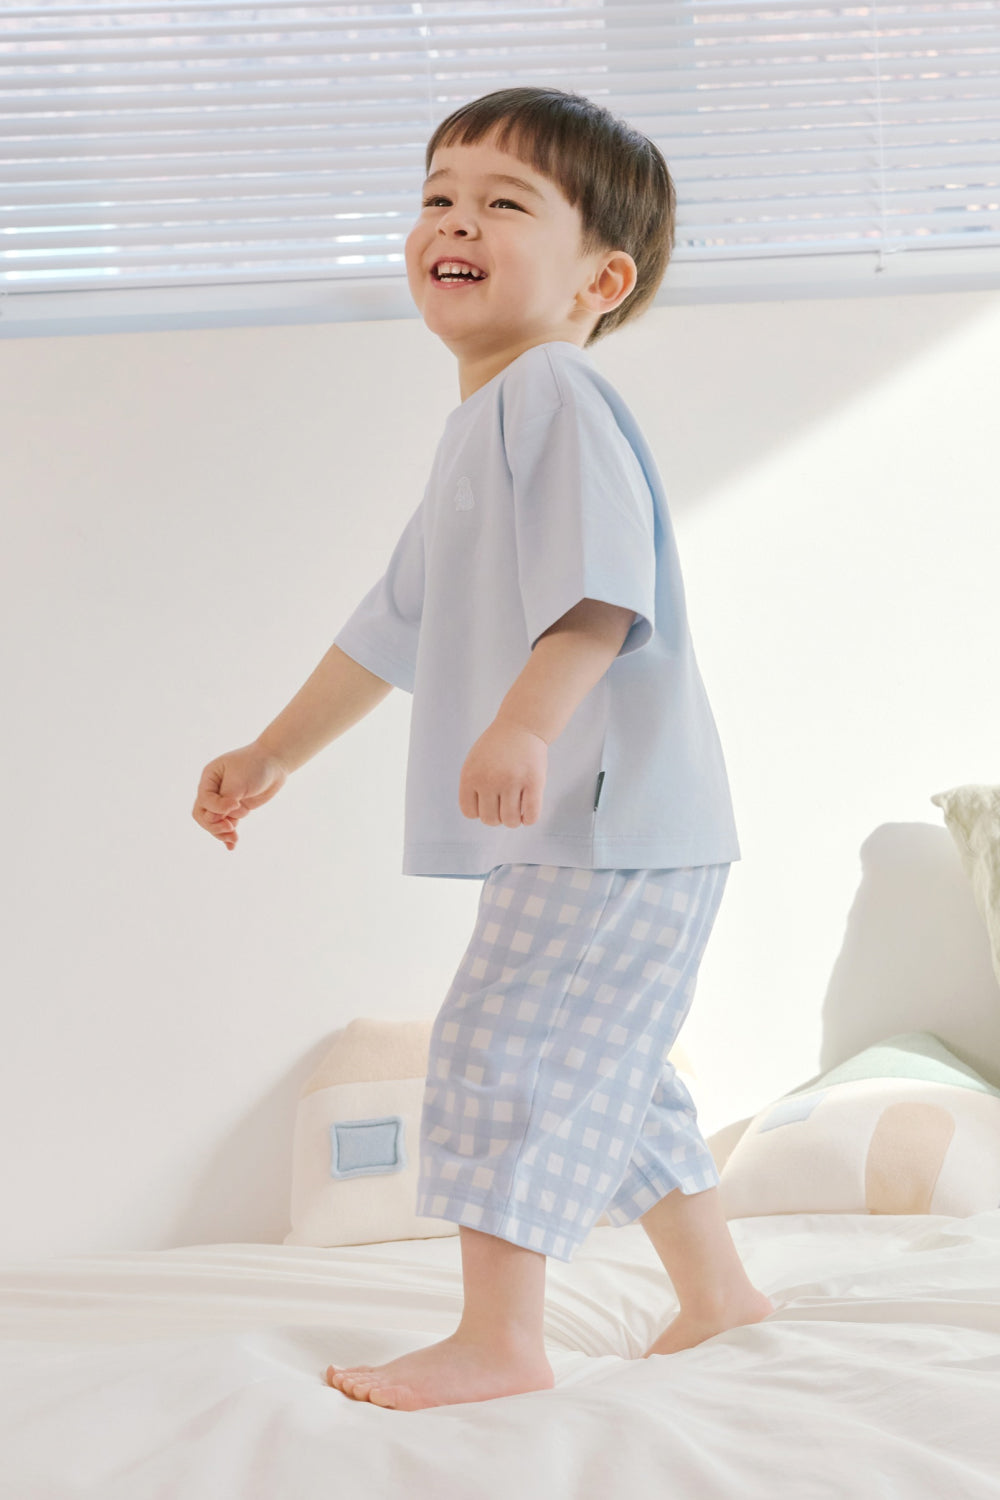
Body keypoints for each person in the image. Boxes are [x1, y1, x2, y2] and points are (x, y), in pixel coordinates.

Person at [192, 85, 774, 1413]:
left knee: (500, 1045)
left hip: (609, 818)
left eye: (504, 204)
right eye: (438, 197)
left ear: (599, 281)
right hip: (618, 829)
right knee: (607, 1063)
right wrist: (274, 752)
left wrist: (523, 722)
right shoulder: (487, 420)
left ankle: (502, 1340)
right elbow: (391, 626)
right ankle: (720, 1295)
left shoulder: (554, 392)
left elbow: (603, 591)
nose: (454, 222)